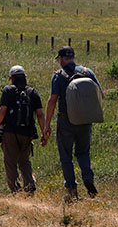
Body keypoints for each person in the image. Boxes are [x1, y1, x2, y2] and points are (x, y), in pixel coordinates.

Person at [42, 46, 103, 201]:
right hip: (85, 121)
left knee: (66, 156)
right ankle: (88, 178)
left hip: (65, 120)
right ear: (73, 57)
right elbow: (101, 94)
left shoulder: (58, 76)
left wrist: (46, 124)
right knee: (83, 153)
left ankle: (71, 189)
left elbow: (52, 100)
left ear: (61, 59)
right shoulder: (87, 72)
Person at [0, 65, 43, 194]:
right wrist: (45, 132)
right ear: (25, 77)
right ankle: (30, 187)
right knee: (25, 161)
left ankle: (15, 190)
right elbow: (40, 114)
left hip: (9, 132)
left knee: (10, 161)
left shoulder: (8, 91)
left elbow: (2, 111)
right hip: (27, 133)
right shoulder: (33, 92)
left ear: (11, 78)